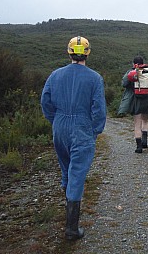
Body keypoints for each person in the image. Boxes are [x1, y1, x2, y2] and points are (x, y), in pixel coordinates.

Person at [41, 36, 107, 241]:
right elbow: (99, 109)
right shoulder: (95, 78)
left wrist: (56, 121)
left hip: (60, 127)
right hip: (81, 128)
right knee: (77, 172)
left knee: (66, 168)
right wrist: (94, 130)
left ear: (69, 52)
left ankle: (68, 209)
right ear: (87, 52)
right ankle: (71, 228)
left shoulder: (55, 75)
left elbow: (46, 102)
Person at [117, 56, 148, 153]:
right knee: (145, 121)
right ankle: (145, 141)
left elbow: (124, 83)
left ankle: (139, 147)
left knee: (137, 124)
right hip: (147, 98)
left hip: (136, 99)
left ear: (134, 64)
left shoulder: (131, 72)